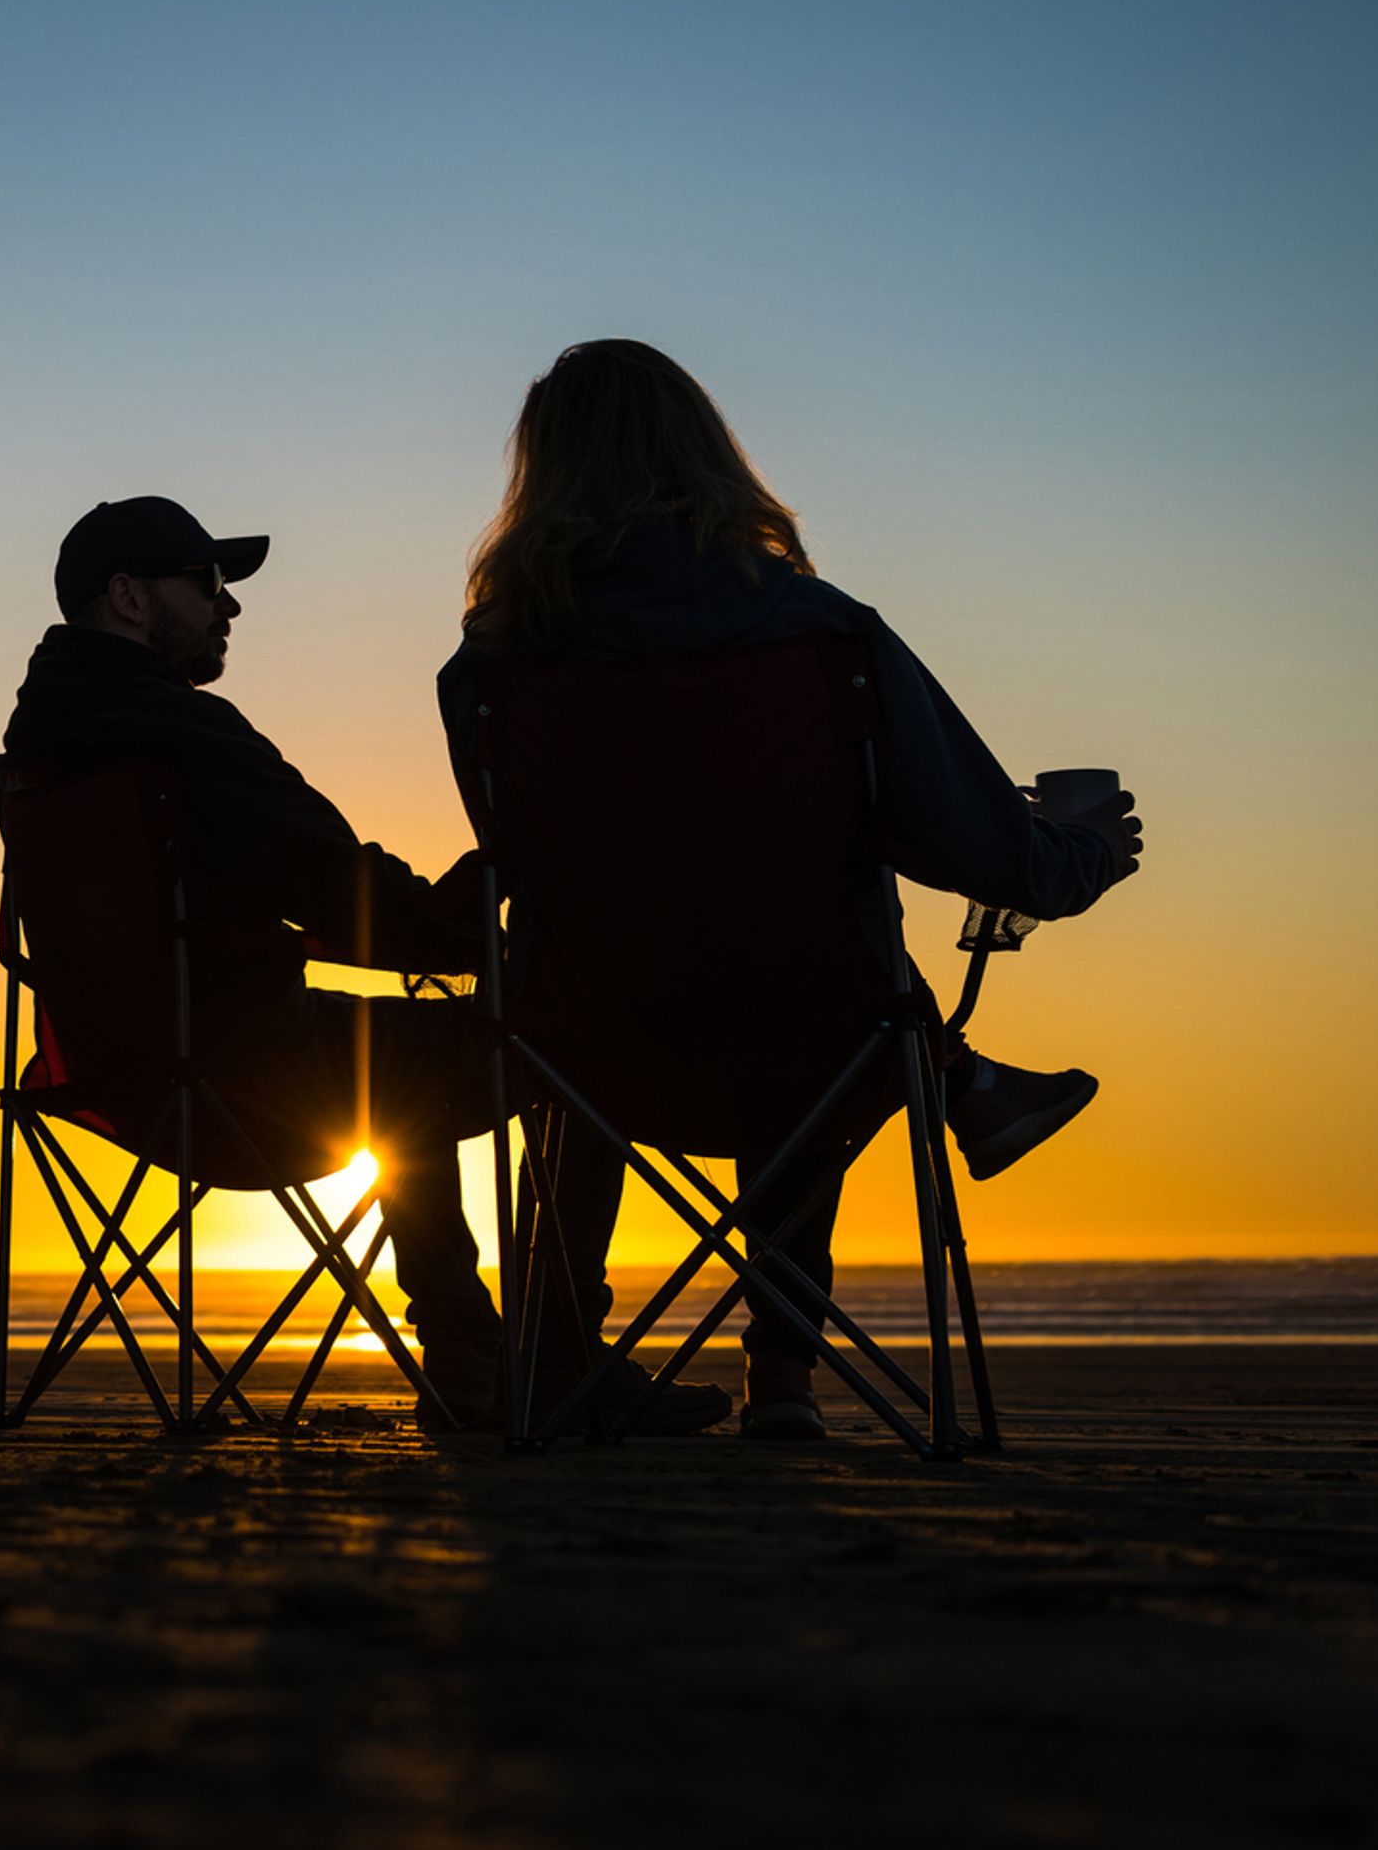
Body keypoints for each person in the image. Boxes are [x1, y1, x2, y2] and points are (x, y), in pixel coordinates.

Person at [438, 340, 1146, 1441]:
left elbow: (543, 862)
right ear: (707, 455)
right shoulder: (822, 636)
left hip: (585, 1044)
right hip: (811, 1035)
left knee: (620, 991)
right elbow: (998, 861)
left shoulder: (490, 670)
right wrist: (1084, 847)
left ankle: (558, 1364)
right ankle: (784, 1385)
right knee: (807, 992)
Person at [2, 495, 730, 1435]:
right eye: (209, 583)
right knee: (572, 1044)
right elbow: (347, 893)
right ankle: (554, 1360)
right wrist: (489, 914)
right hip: (255, 1081)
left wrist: (430, 932)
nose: (229, 607)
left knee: (400, 1059)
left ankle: (469, 1350)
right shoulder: (182, 734)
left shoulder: (39, 749)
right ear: (129, 598)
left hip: (115, 1078)